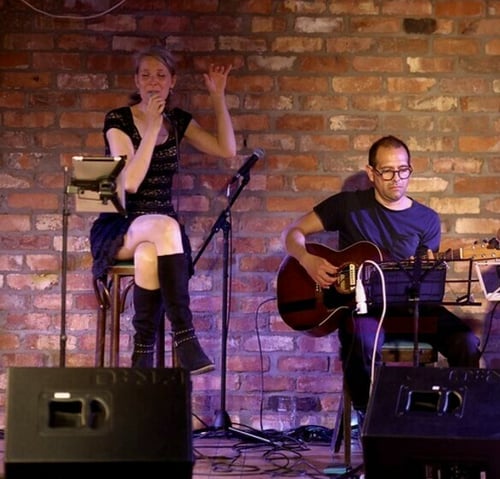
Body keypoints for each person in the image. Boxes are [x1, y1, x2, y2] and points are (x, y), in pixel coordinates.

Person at [281, 135, 481, 422]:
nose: (396, 178)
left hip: (410, 310)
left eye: (403, 170)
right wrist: (306, 258)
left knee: (466, 341)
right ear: (371, 173)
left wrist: (425, 268)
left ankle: (458, 423)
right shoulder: (348, 206)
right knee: (363, 342)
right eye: (387, 171)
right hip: (364, 311)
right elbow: (292, 232)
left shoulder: (426, 219)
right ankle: (368, 421)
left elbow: (423, 280)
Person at [90, 45, 236, 374]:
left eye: (160, 75)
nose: (153, 82)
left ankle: (142, 353)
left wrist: (218, 97)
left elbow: (226, 150)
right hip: (121, 226)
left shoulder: (177, 120)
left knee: (149, 256)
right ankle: (185, 335)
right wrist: (152, 127)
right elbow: (130, 182)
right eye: (145, 75)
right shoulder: (118, 120)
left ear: (172, 82)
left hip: (159, 237)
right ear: (136, 82)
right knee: (166, 227)